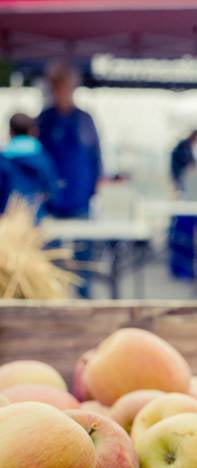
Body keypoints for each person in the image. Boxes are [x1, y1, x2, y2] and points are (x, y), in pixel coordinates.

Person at [37, 62, 102, 297]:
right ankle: (54, 298)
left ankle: (84, 299)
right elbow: (38, 158)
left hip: (80, 196)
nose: (62, 91)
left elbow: (96, 157)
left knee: (83, 253)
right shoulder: (44, 120)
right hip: (51, 200)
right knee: (51, 255)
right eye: (57, 87)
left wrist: (95, 187)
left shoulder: (84, 119)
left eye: (65, 86)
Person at [1, 113, 58, 217]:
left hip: (8, 221)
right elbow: (52, 190)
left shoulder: (3, 159)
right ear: (33, 131)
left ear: (10, 132)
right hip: (35, 219)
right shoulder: (42, 158)